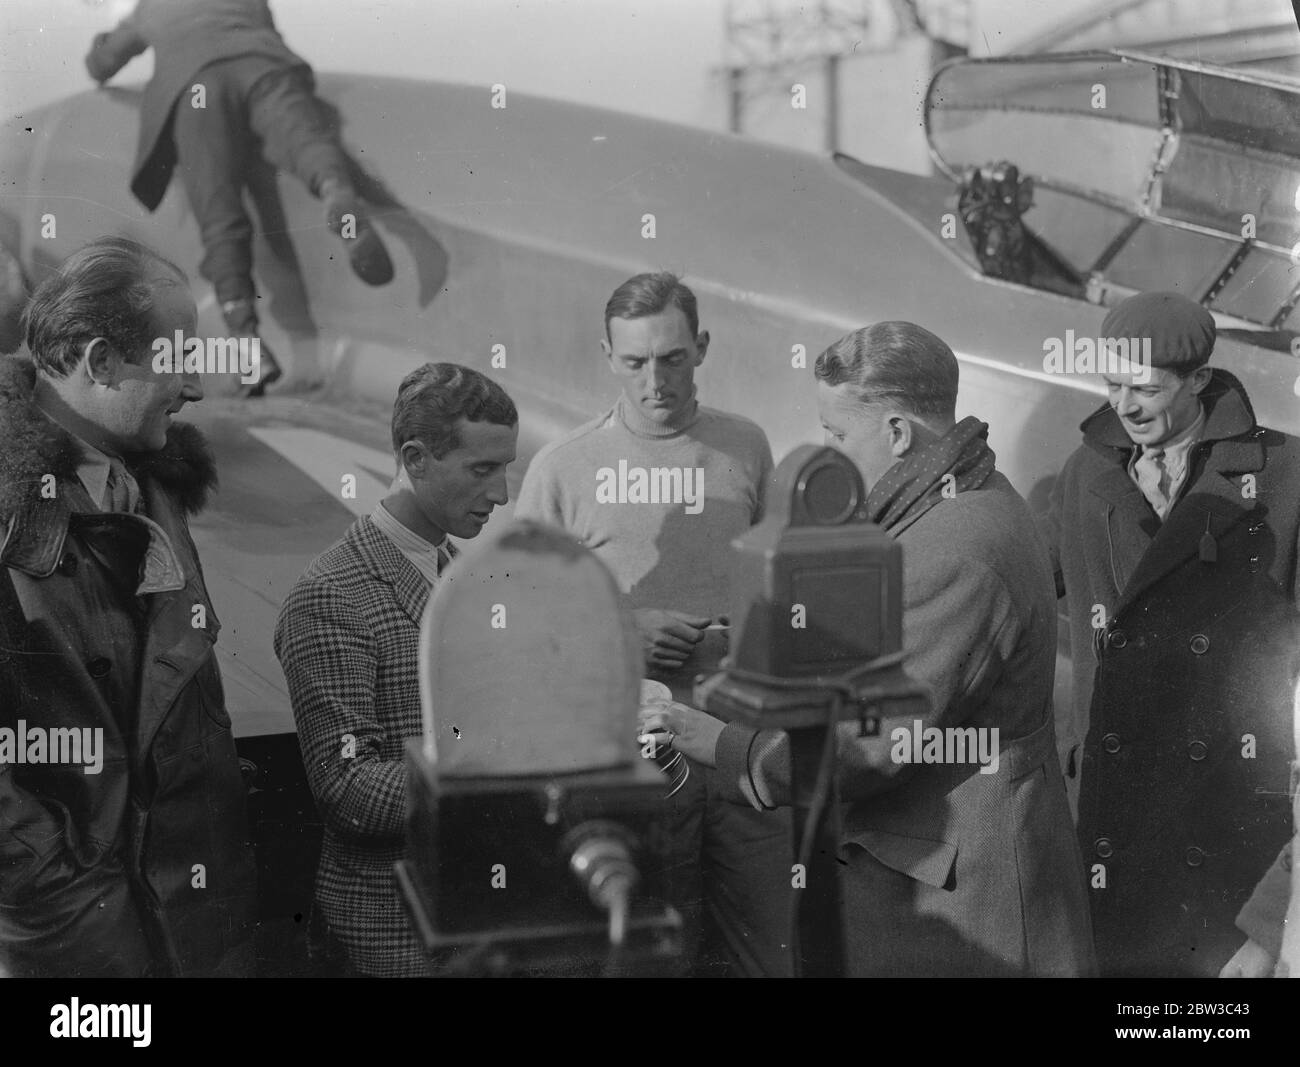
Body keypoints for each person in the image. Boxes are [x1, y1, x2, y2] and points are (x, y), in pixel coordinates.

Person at [647, 321, 1095, 977]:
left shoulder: (958, 548)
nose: (826, 450)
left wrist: (716, 740)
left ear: (897, 433)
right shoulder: (955, 502)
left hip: (963, 918)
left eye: (836, 434)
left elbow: (864, 751)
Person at [515, 271, 794, 976]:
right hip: (635, 764)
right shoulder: (563, 469)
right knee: (649, 955)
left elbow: (779, 585)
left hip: (740, 745)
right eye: (635, 362)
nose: (655, 380)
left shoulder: (745, 449)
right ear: (608, 356)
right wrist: (621, 629)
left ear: (701, 348)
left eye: (672, 358)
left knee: (770, 946)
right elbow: (515, 622)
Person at [0, 236, 256, 977]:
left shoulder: (150, 479)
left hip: (192, 921)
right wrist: (65, 902)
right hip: (82, 943)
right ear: (103, 360)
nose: (198, 389)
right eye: (177, 359)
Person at [1037, 291, 1299, 977]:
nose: (1124, 405)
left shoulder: (1287, 477)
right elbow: (1015, 588)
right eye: (1112, 384)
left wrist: (1279, 913)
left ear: (1200, 381)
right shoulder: (1085, 472)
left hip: (1225, 817)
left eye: (1146, 388)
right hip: (1110, 809)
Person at [275, 363, 517, 977]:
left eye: (506, 467)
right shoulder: (332, 596)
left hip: (481, 917)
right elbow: (347, 791)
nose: (504, 493)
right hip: (391, 936)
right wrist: (500, 758)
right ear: (416, 457)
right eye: (483, 469)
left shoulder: (470, 575)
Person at [84, 0, 395, 396]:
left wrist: (105, 40)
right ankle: (335, 189)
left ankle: (248, 343)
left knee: (220, 215)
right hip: (267, 67)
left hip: (198, 85)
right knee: (305, 144)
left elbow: (102, 63)